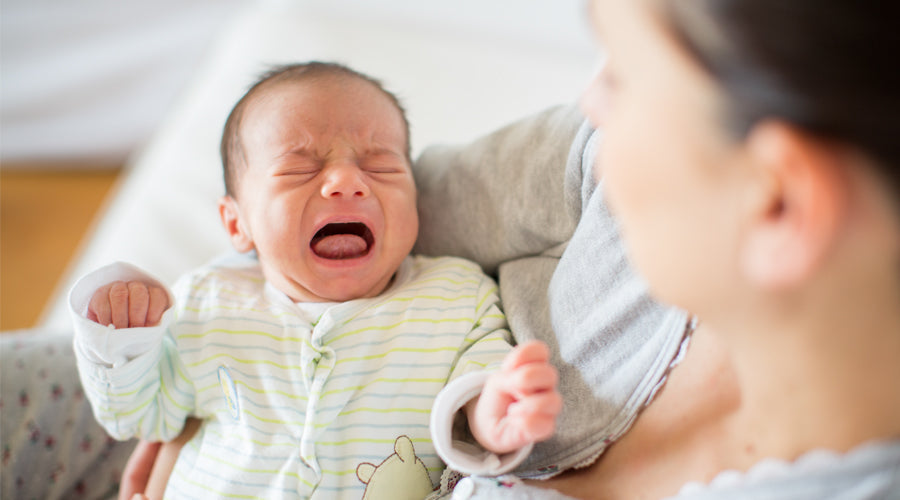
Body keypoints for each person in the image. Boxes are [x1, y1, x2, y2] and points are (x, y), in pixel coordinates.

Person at [422, 0, 900, 498]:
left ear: (776, 204)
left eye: (623, 75)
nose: (590, 100)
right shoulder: (611, 194)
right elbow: (395, 198)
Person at [67, 62, 561, 499]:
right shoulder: (209, 301)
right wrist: (124, 338)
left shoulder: (456, 295)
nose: (347, 181)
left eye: (381, 165)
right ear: (237, 224)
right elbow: (140, 417)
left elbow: (479, 381)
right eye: (300, 167)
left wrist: (493, 410)